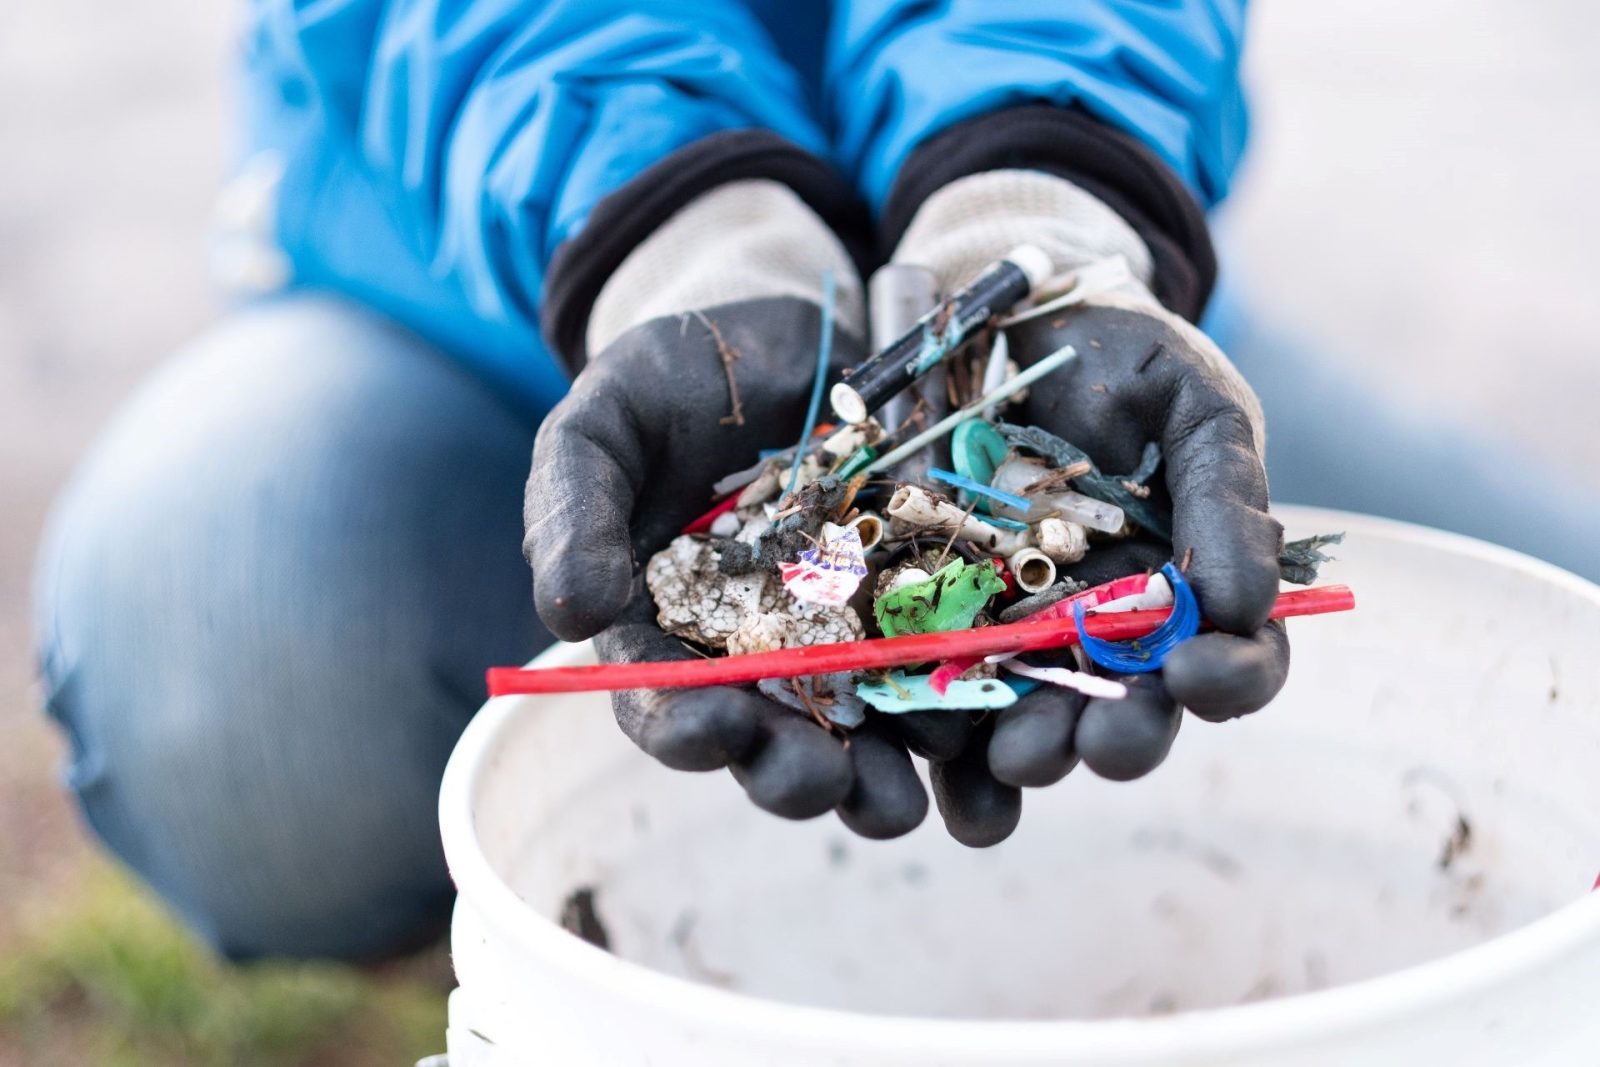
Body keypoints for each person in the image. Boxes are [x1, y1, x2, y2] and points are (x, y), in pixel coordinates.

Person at [32, 1, 1593, 965]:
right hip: (487, 265)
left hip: (1045, 280)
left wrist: (1042, 204)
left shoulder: (1040, 342)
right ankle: (561, 942)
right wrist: (677, 232)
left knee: (1563, 673)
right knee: (229, 656)